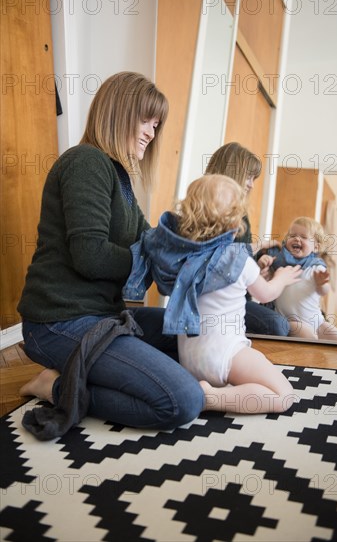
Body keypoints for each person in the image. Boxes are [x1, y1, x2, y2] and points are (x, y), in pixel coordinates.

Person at [17, 71, 205, 440]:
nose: (152, 133)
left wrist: (192, 252)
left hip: (103, 317)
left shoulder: (121, 180)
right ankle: (53, 387)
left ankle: (85, 375)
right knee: (183, 399)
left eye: (157, 124)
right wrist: (146, 256)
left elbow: (151, 243)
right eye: (146, 120)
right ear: (119, 111)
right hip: (58, 321)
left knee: (191, 333)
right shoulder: (86, 162)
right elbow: (90, 256)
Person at [124, 175, 301, 414]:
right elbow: (267, 294)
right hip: (227, 355)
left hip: (191, 360)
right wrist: (282, 278)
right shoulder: (238, 258)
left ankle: (213, 390)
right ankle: (213, 397)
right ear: (235, 220)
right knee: (283, 395)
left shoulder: (181, 258)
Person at [204, 142, 290, 337]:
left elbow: (239, 259)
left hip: (239, 295)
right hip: (219, 300)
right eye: (248, 177)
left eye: (254, 178)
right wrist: (279, 278)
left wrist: (258, 265)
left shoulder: (240, 215)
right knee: (278, 324)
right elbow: (222, 257)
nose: (251, 184)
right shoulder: (207, 213)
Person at [259, 216, 337, 342]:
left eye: (304, 237)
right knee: (309, 337)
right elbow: (264, 281)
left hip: (317, 321)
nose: (297, 238)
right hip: (291, 321)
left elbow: (324, 290)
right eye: (292, 235)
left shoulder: (316, 267)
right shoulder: (278, 262)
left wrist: (321, 284)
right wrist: (263, 263)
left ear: (316, 247)